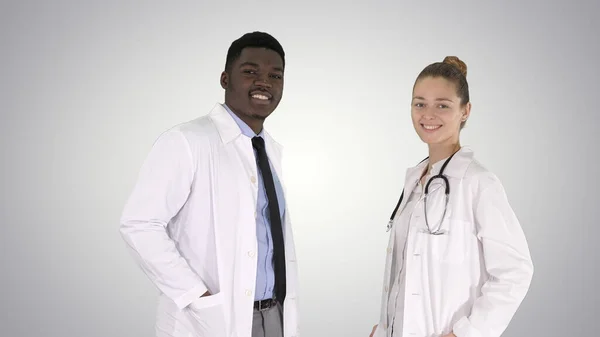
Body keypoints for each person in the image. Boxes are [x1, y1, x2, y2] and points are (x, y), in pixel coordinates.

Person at [119, 31, 299, 337]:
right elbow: (139, 223)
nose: (264, 82)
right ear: (225, 79)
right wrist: (195, 294)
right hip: (209, 320)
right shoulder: (187, 141)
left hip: (274, 317)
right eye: (250, 71)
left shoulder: (269, 151)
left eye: (275, 75)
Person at [369, 56, 534, 337]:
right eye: (419, 103)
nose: (428, 115)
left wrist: (468, 333)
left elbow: (515, 271)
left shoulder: (478, 183)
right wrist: (385, 326)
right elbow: (405, 274)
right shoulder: (415, 180)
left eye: (442, 105)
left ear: (465, 111)